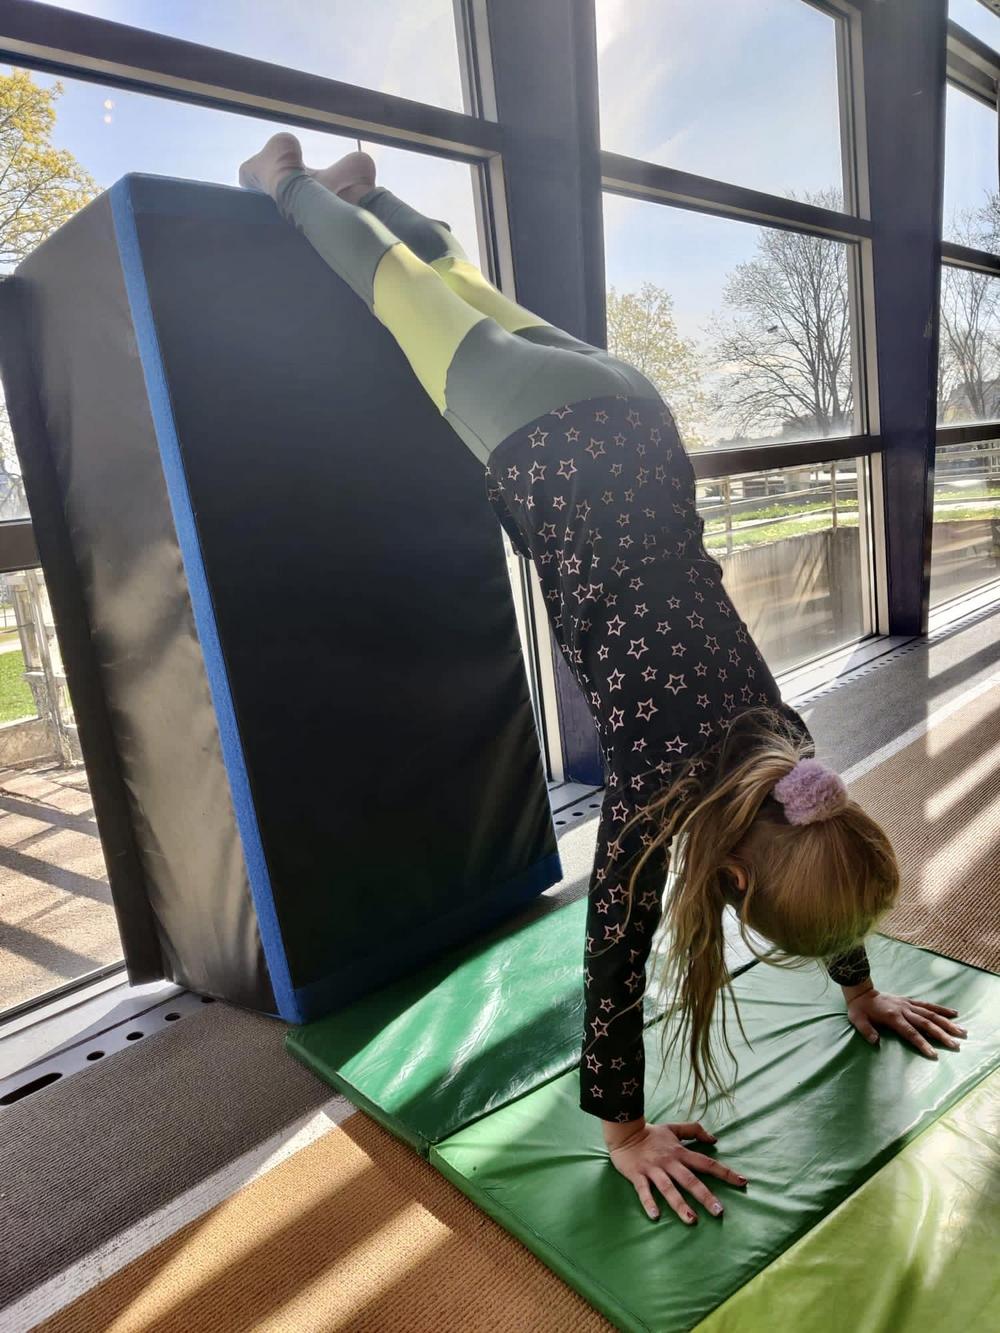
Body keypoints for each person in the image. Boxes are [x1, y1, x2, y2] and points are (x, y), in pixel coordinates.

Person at [239, 132, 968, 1227]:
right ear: (729, 879)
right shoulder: (659, 797)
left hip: (634, 420)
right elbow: (615, 953)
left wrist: (857, 984)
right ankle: (288, 181)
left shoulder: (786, 752)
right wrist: (624, 1130)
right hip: (545, 444)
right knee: (399, 299)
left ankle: (371, 194)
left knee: (459, 288)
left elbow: (819, 854)